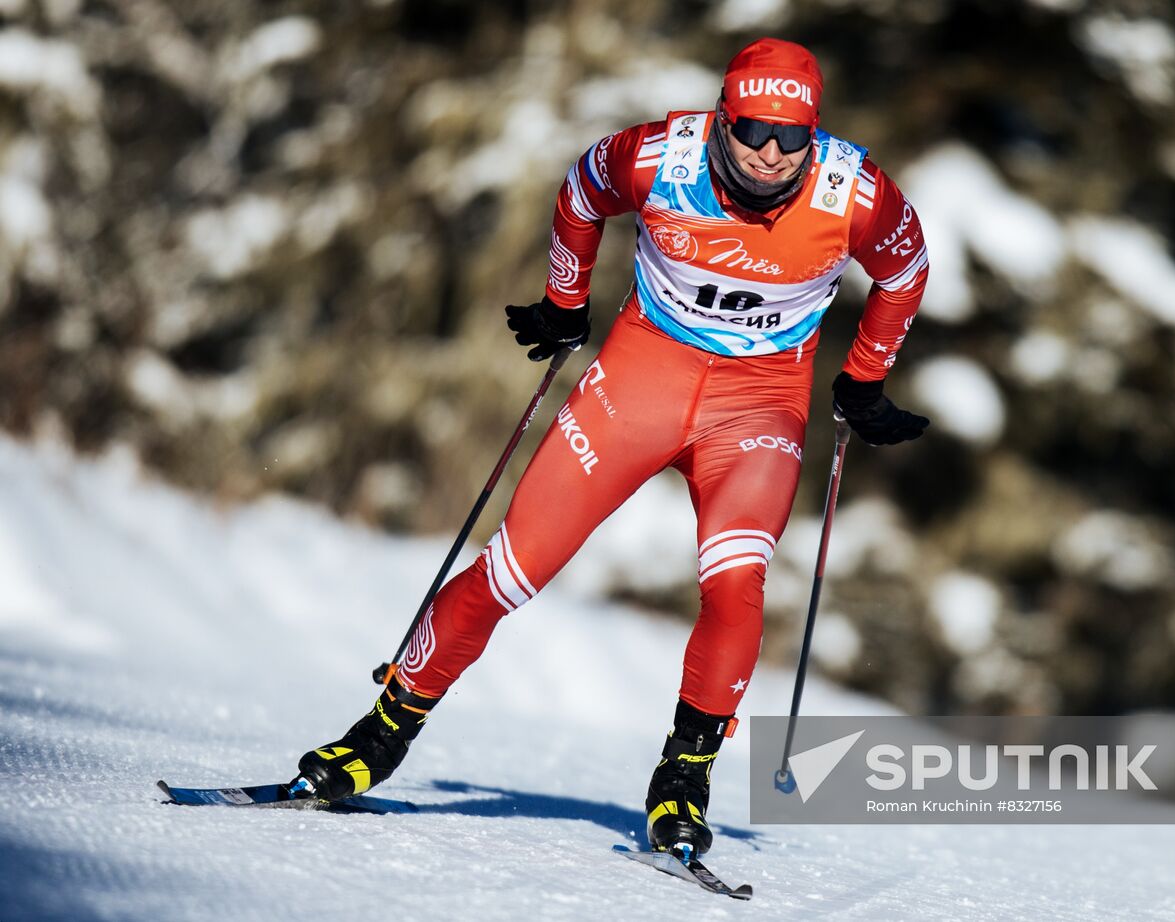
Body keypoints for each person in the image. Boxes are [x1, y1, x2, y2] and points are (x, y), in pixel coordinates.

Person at [295, 37, 930, 859]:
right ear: (722, 119)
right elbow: (581, 192)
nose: (772, 154)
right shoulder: (655, 155)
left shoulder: (857, 193)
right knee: (511, 570)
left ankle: (683, 781)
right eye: (753, 132)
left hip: (758, 405)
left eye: (792, 138)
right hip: (640, 382)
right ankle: (379, 737)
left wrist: (865, 379)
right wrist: (566, 304)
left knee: (737, 587)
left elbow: (905, 271)